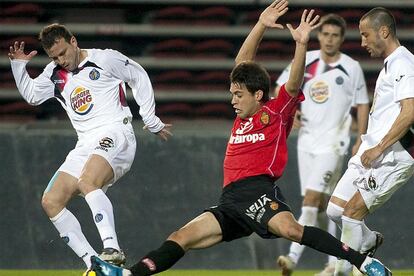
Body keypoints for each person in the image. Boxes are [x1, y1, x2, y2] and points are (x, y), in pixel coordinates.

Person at [89, 1, 390, 276]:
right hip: (230, 201)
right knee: (181, 237)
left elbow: (296, 83)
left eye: (238, 94)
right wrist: (260, 24)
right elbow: (241, 66)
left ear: (258, 95)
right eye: (232, 93)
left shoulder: (275, 110)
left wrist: (301, 45)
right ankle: (128, 274)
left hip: (258, 191)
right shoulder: (241, 115)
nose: (232, 100)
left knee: (294, 230)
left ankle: (363, 262)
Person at [8, 23, 172, 270]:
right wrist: (18, 66)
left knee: (87, 181)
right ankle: (95, 264)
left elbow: (137, 74)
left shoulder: (105, 59)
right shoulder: (53, 73)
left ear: (73, 41)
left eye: (63, 52)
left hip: (116, 132)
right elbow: (32, 95)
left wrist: (149, 117)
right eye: (54, 57)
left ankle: (112, 248)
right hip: (85, 143)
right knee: (51, 201)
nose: (61, 60)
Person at [275, 14, 370, 276]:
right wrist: (290, 112)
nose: (329, 39)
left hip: (334, 144)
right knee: (321, 207)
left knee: (310, 201)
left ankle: (292, 258)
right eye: (325, 34)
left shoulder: (351, 67)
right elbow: (281, 88)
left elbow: (362, 103)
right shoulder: (306, 60)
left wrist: (361, 137)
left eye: (335, 35)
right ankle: (334, 263)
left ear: (341, 39)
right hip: (306, 142)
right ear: (319, 36)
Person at [325, 7, 414, 275]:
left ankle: (350, 270)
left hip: (395, 154)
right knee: (334, 210)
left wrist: (380, 147)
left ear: (383, 31)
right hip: (372, 150)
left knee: (351, 214)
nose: (362, 43)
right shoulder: (391, 64)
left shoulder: (403, 64)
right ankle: (369, 240)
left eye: (365, 35)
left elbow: (410, 111)